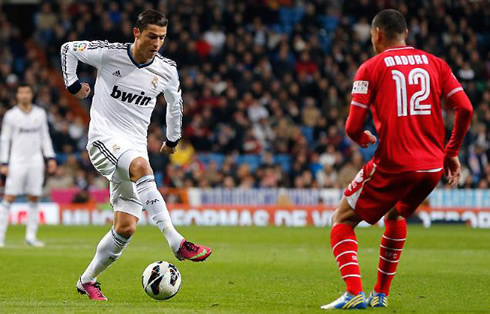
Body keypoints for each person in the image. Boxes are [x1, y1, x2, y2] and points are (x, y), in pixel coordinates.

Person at [321, 9, 473, 310]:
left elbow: (352, 127)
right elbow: (465, 108)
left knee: (341, 220)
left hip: (394, 163)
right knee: (396, 215)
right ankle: (381, 294)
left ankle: (354, 293)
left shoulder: (371, 67)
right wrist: (451, 151)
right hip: (431, 166)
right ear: (406, 33)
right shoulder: (437, 64)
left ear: (377, 34)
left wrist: (362, 138)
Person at [60, 9, 212, 301]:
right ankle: (176, 241)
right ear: (137, 33)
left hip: (133, 147)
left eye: (162, 37)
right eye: (152, 35)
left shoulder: (166, 69)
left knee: (126, 227)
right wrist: (73, 85)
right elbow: (69, 49)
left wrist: (172, 139)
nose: (157, 42)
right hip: (103, 141)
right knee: (141, 166)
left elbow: (175, 103)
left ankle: (87, 281)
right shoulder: (109, 54)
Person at [0, 84, 57, 247]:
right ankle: (1, 236)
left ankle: (31, 236)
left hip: (35, 161)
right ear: (17, 95)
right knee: (9, 197)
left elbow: (45, 137)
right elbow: (5, 140)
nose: (24, 95)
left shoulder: (39, 113)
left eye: (27, 92)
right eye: (21, 92)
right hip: (17, 161)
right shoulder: (11, 115)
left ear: (31, 95)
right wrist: (4, 162)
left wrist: (50, 158)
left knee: (34, 197)